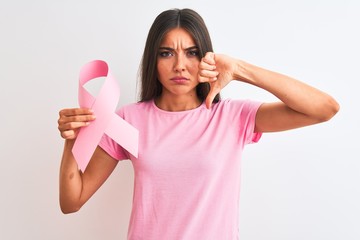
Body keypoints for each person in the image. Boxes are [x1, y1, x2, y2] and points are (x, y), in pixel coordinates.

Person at [57, 8, 339, 240]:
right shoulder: (129, 121)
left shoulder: (231, 118)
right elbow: (72, 202)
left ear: (206, 57)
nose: (180, 65)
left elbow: (324, 109)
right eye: (166, 53)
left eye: (191, 53)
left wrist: (240, 69)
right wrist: (72, 140)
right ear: (153, 60)